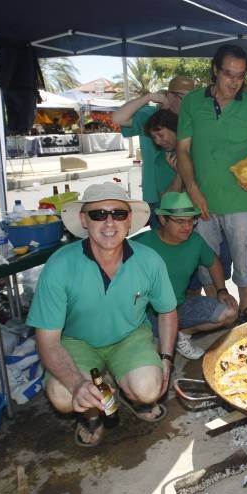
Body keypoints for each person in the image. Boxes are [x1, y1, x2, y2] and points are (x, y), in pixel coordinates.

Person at [27, 183, 178, 447]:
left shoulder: (149, 260)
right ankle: (91, 413)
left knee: (149, 388)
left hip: (129, 337)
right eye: (98, 214)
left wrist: (166, 358)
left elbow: (167, 311)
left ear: (130, 220)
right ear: (84, 220)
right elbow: (47, 340)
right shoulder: (60, 265)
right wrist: (76, 384)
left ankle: (128, 393)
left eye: (119, 213)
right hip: (76, 341)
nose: (109, 222)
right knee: (64, 396)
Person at [175, 45, 247, 323]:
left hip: (241, 201)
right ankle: (220, 309)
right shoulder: (192, 102)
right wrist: (192, 188)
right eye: (228, 74)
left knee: (245, 260)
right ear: (215, 71)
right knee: (206, 263)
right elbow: (182, 150)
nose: (234, 82)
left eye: (240, 77)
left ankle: (246, 311)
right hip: (201, 201)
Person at [134, 192, 237, 360]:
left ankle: (182, 334)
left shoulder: (195, 241)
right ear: (162, 220)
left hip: (179, 306)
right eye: (180, 221)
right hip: (146, 314)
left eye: (191, 220)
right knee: (152, 363)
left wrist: (222, 290)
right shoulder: (142, 243)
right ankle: (164, 337)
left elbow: (213, 263)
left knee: (231, 312)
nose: (187, 226)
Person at [113, 75, 195, 225]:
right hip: (154, 196)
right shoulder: (150, 116)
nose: (189, 102)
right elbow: (118, 118)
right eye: (183, 97)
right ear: (169, 95)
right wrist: (149, 97)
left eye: (192, 98)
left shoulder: (191, 118)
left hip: (186, 196)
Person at [143, 109, 183, 195]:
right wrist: (180, 173)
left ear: (175, 129)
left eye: (161, 135)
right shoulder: (161, 160)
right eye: (154, 138)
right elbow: (166, 199)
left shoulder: (196, 149)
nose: (157, 142)